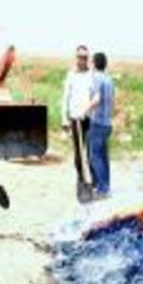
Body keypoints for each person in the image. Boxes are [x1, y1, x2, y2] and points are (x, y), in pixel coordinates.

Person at [60, 45, 94, 195]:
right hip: (75, 118)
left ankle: (92, 180)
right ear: (76, 58)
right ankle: (80, 180)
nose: (82, 60)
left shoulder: (92, 75)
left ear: (88, 59)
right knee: (79, 152)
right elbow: (65, 98)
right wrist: (64, 119)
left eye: (85, 57)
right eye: (80, 57)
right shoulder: (71, 75)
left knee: (91, 151)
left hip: (90, 118)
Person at [85, 52, 115, 198]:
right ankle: (106, 186)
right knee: (103, 156)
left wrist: (84, 110)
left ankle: (102, 188)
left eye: (91, 62)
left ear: (94, 64)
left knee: (94, 156)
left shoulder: (97, 78)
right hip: (107, 123)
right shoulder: (109, 80)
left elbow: (96, 99)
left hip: (97, 123)